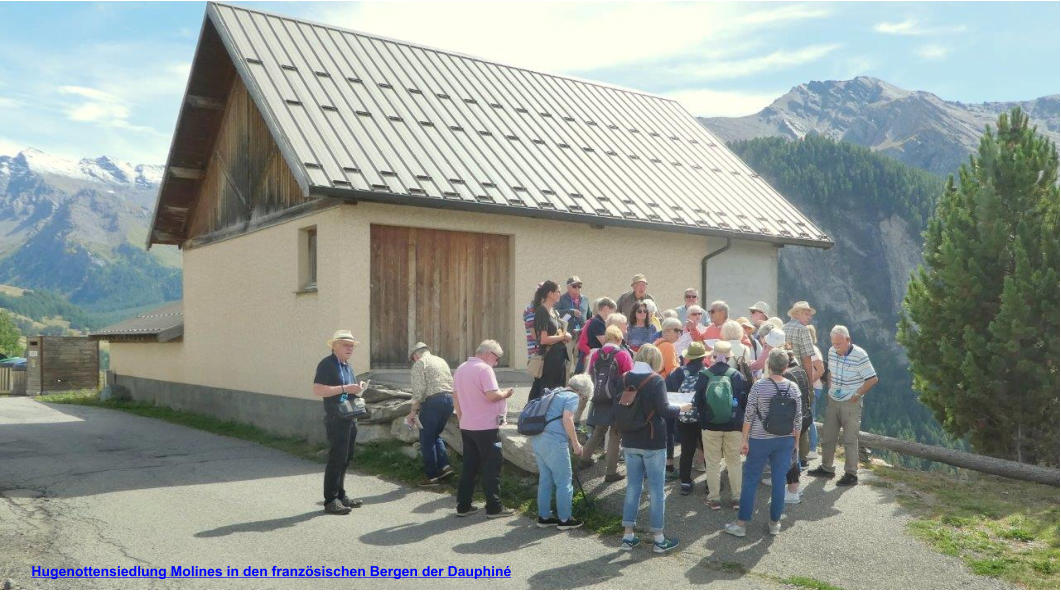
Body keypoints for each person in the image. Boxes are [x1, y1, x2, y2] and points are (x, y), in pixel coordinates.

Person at [618, 344, 691, 553]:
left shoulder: (624, 378)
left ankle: (628, 536)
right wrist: (682, 408)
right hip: (652, 441)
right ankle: (659, 539)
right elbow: (664, 410)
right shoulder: (656, 380)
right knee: (656, 491)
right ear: (656, 360)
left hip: (629, 439)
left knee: (633, 487)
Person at [724, 349, 802, 537]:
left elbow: (749, 415)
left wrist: (744, 440)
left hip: (759, 439)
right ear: (785, 367)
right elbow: (798, 418)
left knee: (750, 480)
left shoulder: (759, 386)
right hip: (785, 440)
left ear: (768, 365)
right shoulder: (793, 387)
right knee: (779, 481)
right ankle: (774, 523)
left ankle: (741, 524)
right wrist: (796, 443)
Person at [808, 325, 878, 486]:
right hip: (833, 400)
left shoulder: (860, 355)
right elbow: (830, 372)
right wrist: (830, 388)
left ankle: (851, 474)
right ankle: (826, 468)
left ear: (848, 340)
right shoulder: (832, 351)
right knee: (828, 436)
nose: (836, 347)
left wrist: (857, 394)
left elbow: (872, 379)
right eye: (833, 343)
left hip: (851, 402)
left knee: (850, 439)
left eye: (839, 344)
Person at [453, 340, 516, 517]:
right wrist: (506, 393)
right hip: (486, 426)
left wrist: (461, 419)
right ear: (489, 354)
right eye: (496, 358)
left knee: (469, 466)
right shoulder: (484, 369)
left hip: (467, 425)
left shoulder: (461, 368)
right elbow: (492, 396)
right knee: (491, 466)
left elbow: (455, 397)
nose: (496, 363)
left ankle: (463, 505)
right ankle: (494, 507)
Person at [313, 330, 369, 515]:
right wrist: (345, 388)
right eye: (346, 345)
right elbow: (318, 390)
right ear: (334, 346)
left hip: (349, 417)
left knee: (346, 458)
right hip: (336, 419)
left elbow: (345, 393)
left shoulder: (347, 366)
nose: (350, 348)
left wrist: (357, 390)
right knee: (336, 459)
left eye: (352, 345)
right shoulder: (327, 364)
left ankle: (341, 495)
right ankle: (330, 500)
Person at [532, 374, 593, 530]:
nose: (582, 400)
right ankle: (565, 519)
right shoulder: (571, 396)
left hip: (538, 438)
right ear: (581, 392)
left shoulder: (555, 392)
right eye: (584, 397)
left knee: (545, 479)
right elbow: (568, 419)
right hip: (554, 442)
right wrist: (576, 443)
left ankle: (544, 517)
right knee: (564, 481)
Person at [695, 341, 748, 510]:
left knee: (712, 463)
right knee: (734, 462)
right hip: (734, 425)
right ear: (729, 357)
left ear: (713, 355)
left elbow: (698, 401)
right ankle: (737, 498)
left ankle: (714, 499)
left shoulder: (704, 375)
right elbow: (744, 402)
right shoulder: (736, 375)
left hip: (710, 426)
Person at [578, 325, 633, 481]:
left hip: (599, 397)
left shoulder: (596, 355)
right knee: (615, 434)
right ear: (619, 339)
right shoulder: (622, 354)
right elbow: (630, 377)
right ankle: (610, 472)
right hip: (616, 398)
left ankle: (584, 459)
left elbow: (590, 375)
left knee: (599, 429)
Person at [405, 342, 455, 487]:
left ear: (415, 355)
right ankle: (445, 467)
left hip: (433, 402)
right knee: (434, 435)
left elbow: (419, 390)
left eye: (412, 359)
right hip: (449, 400)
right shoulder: (441, 361)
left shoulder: (420, 363)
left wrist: (413, 411)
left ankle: (432, 476)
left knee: (426, 439)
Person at [665, 341, 710, 495]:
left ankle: (685, 482)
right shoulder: (708, 373)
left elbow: (668, 394)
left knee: (686, 450)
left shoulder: (677, 372)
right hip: (703, 418)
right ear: (703, 357)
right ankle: (711, 484)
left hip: (683, 417)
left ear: (688, 357)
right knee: (708, 450)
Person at [529, 281, 572, 401]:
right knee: (546, 393)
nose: (560, 294)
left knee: (557, 392)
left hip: (559, 358)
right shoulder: (542, 311)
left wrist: (566, 335)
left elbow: (558, 332)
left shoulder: (554, 311)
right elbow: (543, 339)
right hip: (549, 360)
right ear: (550, 293)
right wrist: (562, 337)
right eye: (558, 291)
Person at [575, 297, 616, 425]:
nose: (613, 314)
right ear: (606, 308)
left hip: (592, 359)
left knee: (587, 390)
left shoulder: (597, 321)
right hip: (590, 361)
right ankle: (574, 420)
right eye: (613, 311)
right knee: (584, 390)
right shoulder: (597, 323)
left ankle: (577, 420)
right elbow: (605, 342)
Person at [781, 350, 813, 504]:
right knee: (795, 453)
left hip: (794, 421)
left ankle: (792, 491)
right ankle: (796, 487)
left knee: (790, 455)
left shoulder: (787, 375)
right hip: (806, 416)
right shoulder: (800, 370)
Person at [558, 276, 591, 375]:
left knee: (580, 363)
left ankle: (579, 383)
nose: (577, 289)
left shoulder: (585, 299)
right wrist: (570, 312)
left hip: (581, 336)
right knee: (566, 363)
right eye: (574, 286)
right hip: (567, 335)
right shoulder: (561, 299)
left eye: (579, 286)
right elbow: (555, 313)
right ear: (568, 287)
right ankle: (565, 384)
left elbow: (589, 316)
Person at [806, 324, 827, 456]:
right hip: (813, 387)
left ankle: (813, 448)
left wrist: (807, 384)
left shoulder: (812, 350)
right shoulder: (812, 349)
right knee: (808, 416)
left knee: (810, 417)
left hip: (813, 388)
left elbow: (820, 370)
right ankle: (810, 447)